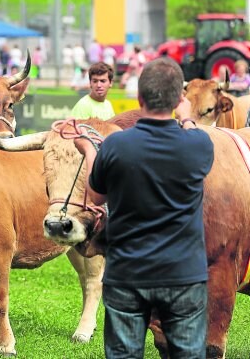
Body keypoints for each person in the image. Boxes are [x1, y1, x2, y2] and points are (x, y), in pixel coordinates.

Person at [74, 57, 213, 358]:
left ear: (139, 99)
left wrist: (88, 151)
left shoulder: (115, 146)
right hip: (184, 275)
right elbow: (193, 133)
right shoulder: (199, 144)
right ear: (179, 100)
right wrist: (187, 118)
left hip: (127, 272)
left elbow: (95, 199)